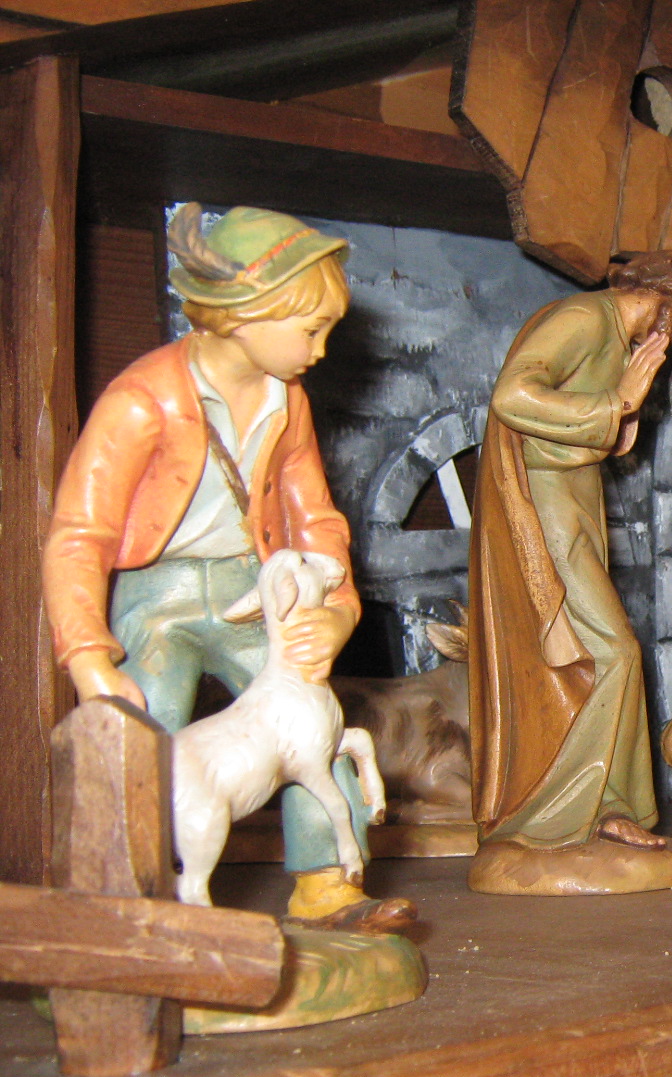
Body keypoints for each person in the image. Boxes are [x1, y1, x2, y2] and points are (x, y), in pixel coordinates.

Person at [43, 203, 413, 934]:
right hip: (159, 598)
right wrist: (88, 659)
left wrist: (336, 613)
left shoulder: (288, 401)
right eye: (310, 329)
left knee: (312, 718)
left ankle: (327, 885)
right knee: (142, 733)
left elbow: (315, 518)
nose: (320, 349)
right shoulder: (140, 402)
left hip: (253, 587)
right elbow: (79, 534)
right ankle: (132, 901)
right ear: (246, 316)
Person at [468, 251, 672, 896]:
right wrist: (619, 400)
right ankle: (559, 814)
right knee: (615, 651)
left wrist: (620, 414)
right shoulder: (584, 318)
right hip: (546, 504)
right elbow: (512, 395)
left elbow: (591, 428)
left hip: (575, 499)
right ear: (668, 295)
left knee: (596, 653)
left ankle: (607, 807)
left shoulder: (617, 336)